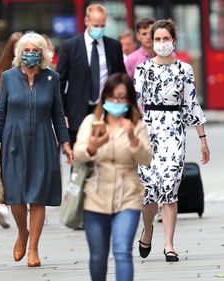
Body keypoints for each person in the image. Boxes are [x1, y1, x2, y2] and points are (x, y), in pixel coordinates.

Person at [0, 31, 73, 267]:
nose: (30, 54)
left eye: (35, 51)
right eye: (26, 50)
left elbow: (58, 114)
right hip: (13, 139)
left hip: (44, 140)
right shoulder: (8, 77)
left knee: (38, 196)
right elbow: (0, 113)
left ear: (43, 54)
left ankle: (34, 248)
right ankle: (22, 232)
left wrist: (65, 143)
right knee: (15, 195)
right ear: (19, 52)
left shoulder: (52, 78)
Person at [134, 19, 210, 263]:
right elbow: (133, 105)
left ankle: (169, 244)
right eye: (158, 39)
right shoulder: (143, 69)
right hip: (148, 131)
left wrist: (203, 139)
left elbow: (191, 104)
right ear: (152, 41)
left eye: (166, 39)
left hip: (174, 132)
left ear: (174, 41)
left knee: (169, 189)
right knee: (149, 194)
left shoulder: (184, 70)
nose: (162, 43)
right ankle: (147, 230)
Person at [74, 73, 152, 281]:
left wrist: (132, 138)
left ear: (129, 100)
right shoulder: (92, 122)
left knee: (122, 252)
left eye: (121, 97)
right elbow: (78, 153)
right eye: (111, 97)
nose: (116, 102)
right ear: (104, 97)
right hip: (95, 195)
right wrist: (93, 146)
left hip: (128, 195)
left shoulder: (136, 125)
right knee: (98, 256)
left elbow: (146, 158)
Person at [56, 3, 126, 147]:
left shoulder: (114, 46)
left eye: (102, 25)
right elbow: (59, 83)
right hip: (77, 112)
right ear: (86, 21)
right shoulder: (69, 47)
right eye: (95, 25)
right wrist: (62, 113)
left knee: (107, 156)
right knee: (80, 159)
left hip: (107, 110)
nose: (99, 29)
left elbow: (121, 78)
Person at [0, 32, 22, 229]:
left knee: (15, 170)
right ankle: (2, 205)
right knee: (7, 170)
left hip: (20, 128)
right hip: (8, 129)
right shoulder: (7, 74)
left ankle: (9, 206)